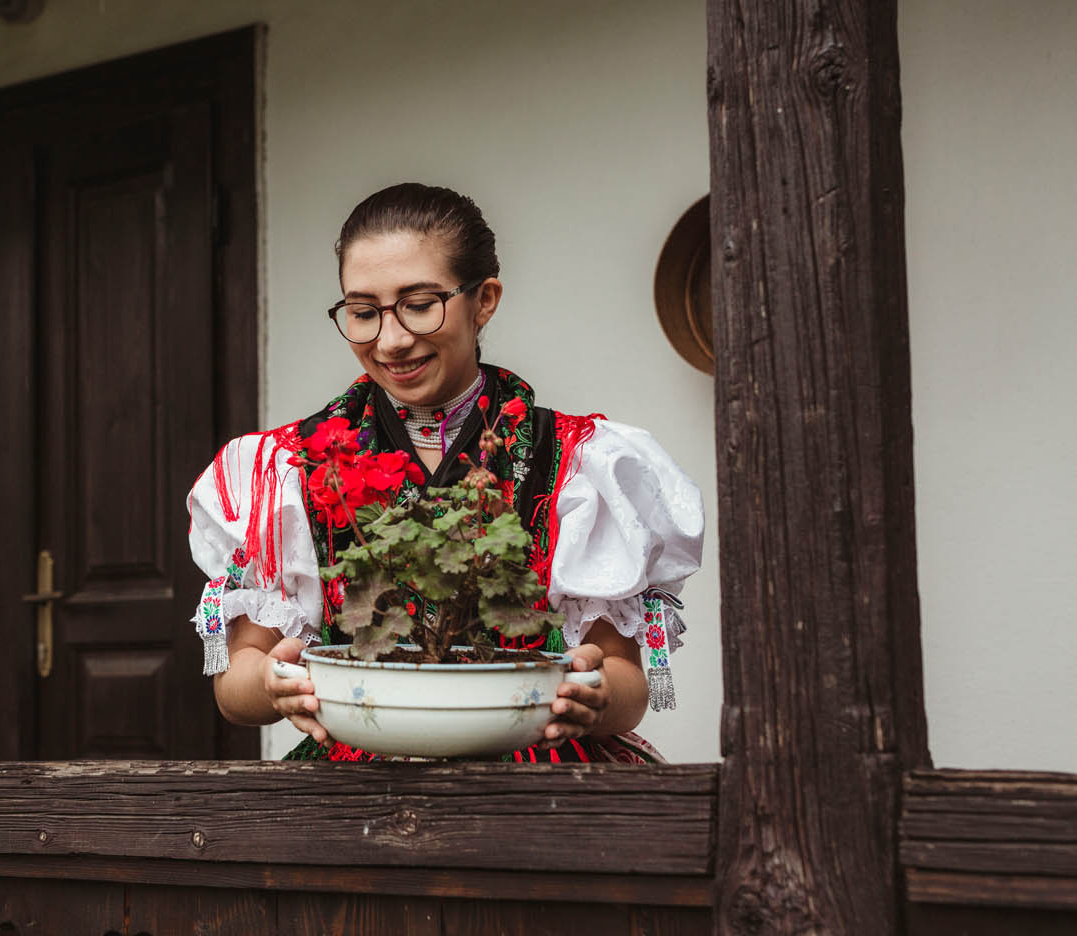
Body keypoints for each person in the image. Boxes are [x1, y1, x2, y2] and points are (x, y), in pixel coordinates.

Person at [187, 183, 704, 762]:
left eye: (419, 304)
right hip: (359, 790)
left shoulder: (579, 461)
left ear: (484, 299)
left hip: (537, 782)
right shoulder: (285, 468)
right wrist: (270, 685)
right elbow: (234, 689)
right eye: (363, 312)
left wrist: (595, 694)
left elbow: (626, 684)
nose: (391, 340)